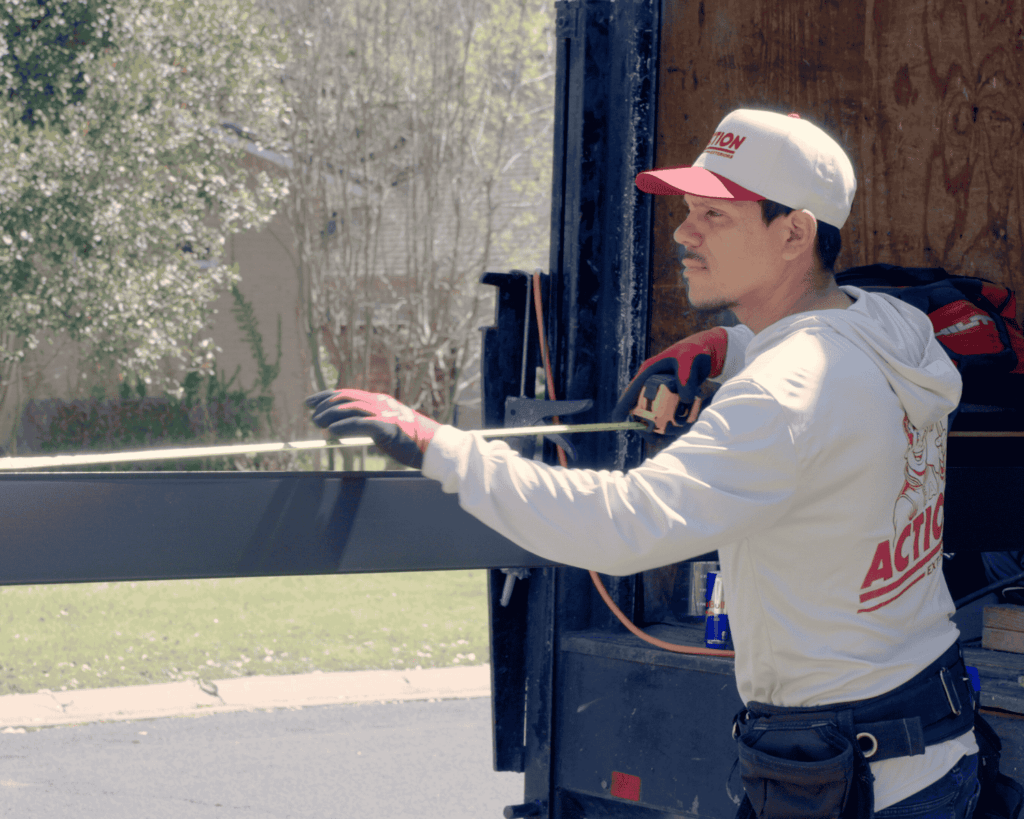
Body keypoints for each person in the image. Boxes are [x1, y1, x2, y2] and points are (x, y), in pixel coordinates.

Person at [306, 109, 979, 819]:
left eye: (715, 215)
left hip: (861, 790)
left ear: (793, 232)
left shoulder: (782, 397)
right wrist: (726, 346)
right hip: (925, 755)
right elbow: (827, 340)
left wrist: (439, 447)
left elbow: (624, 527)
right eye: (688, 210)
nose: (684, 232)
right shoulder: (890, 327)